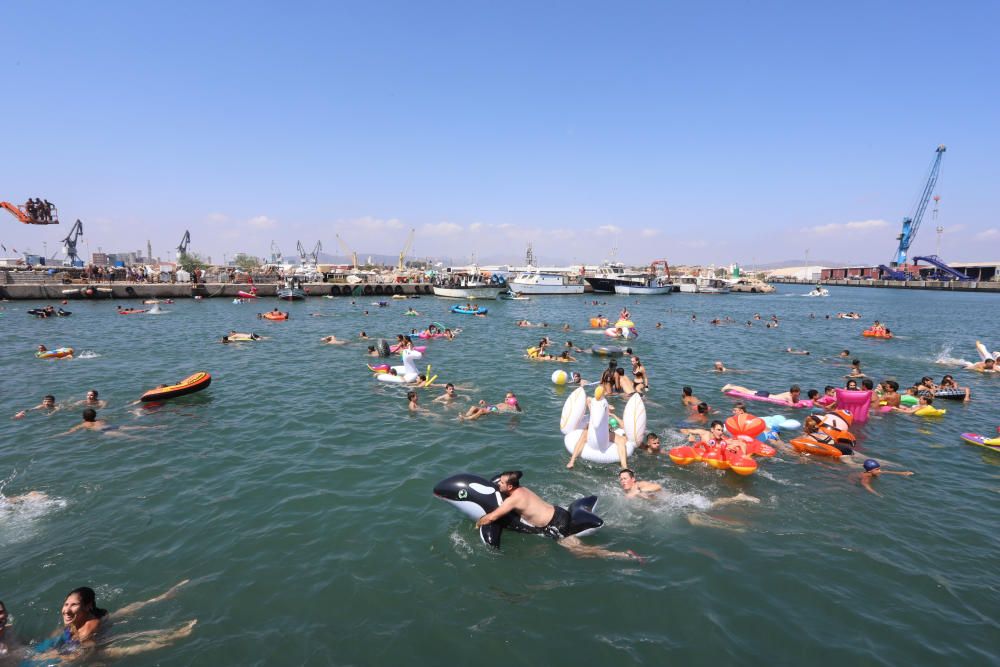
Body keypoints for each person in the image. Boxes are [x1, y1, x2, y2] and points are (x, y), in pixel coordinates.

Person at [475, 471, 637, 560]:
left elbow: (491, 518)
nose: (498, 484)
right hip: (559, 512)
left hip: (556, 525)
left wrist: (478, 522)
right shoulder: (521, 490)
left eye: (501, 483)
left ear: (509, 486)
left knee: (579, 551)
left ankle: (623, 555)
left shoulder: (513, 500)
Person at [28, 583, 195, 662]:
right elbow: (61, 636)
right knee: (125, 611)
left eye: (74, 605)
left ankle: (170, 636)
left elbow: (85, 654)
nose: (67, 610)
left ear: (87, 606)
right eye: (66, 604)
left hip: (98, 651)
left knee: (116, 652)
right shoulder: (75, 620)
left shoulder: (88, 630)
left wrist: (45, 657)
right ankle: (163, 597)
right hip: (86, 635)